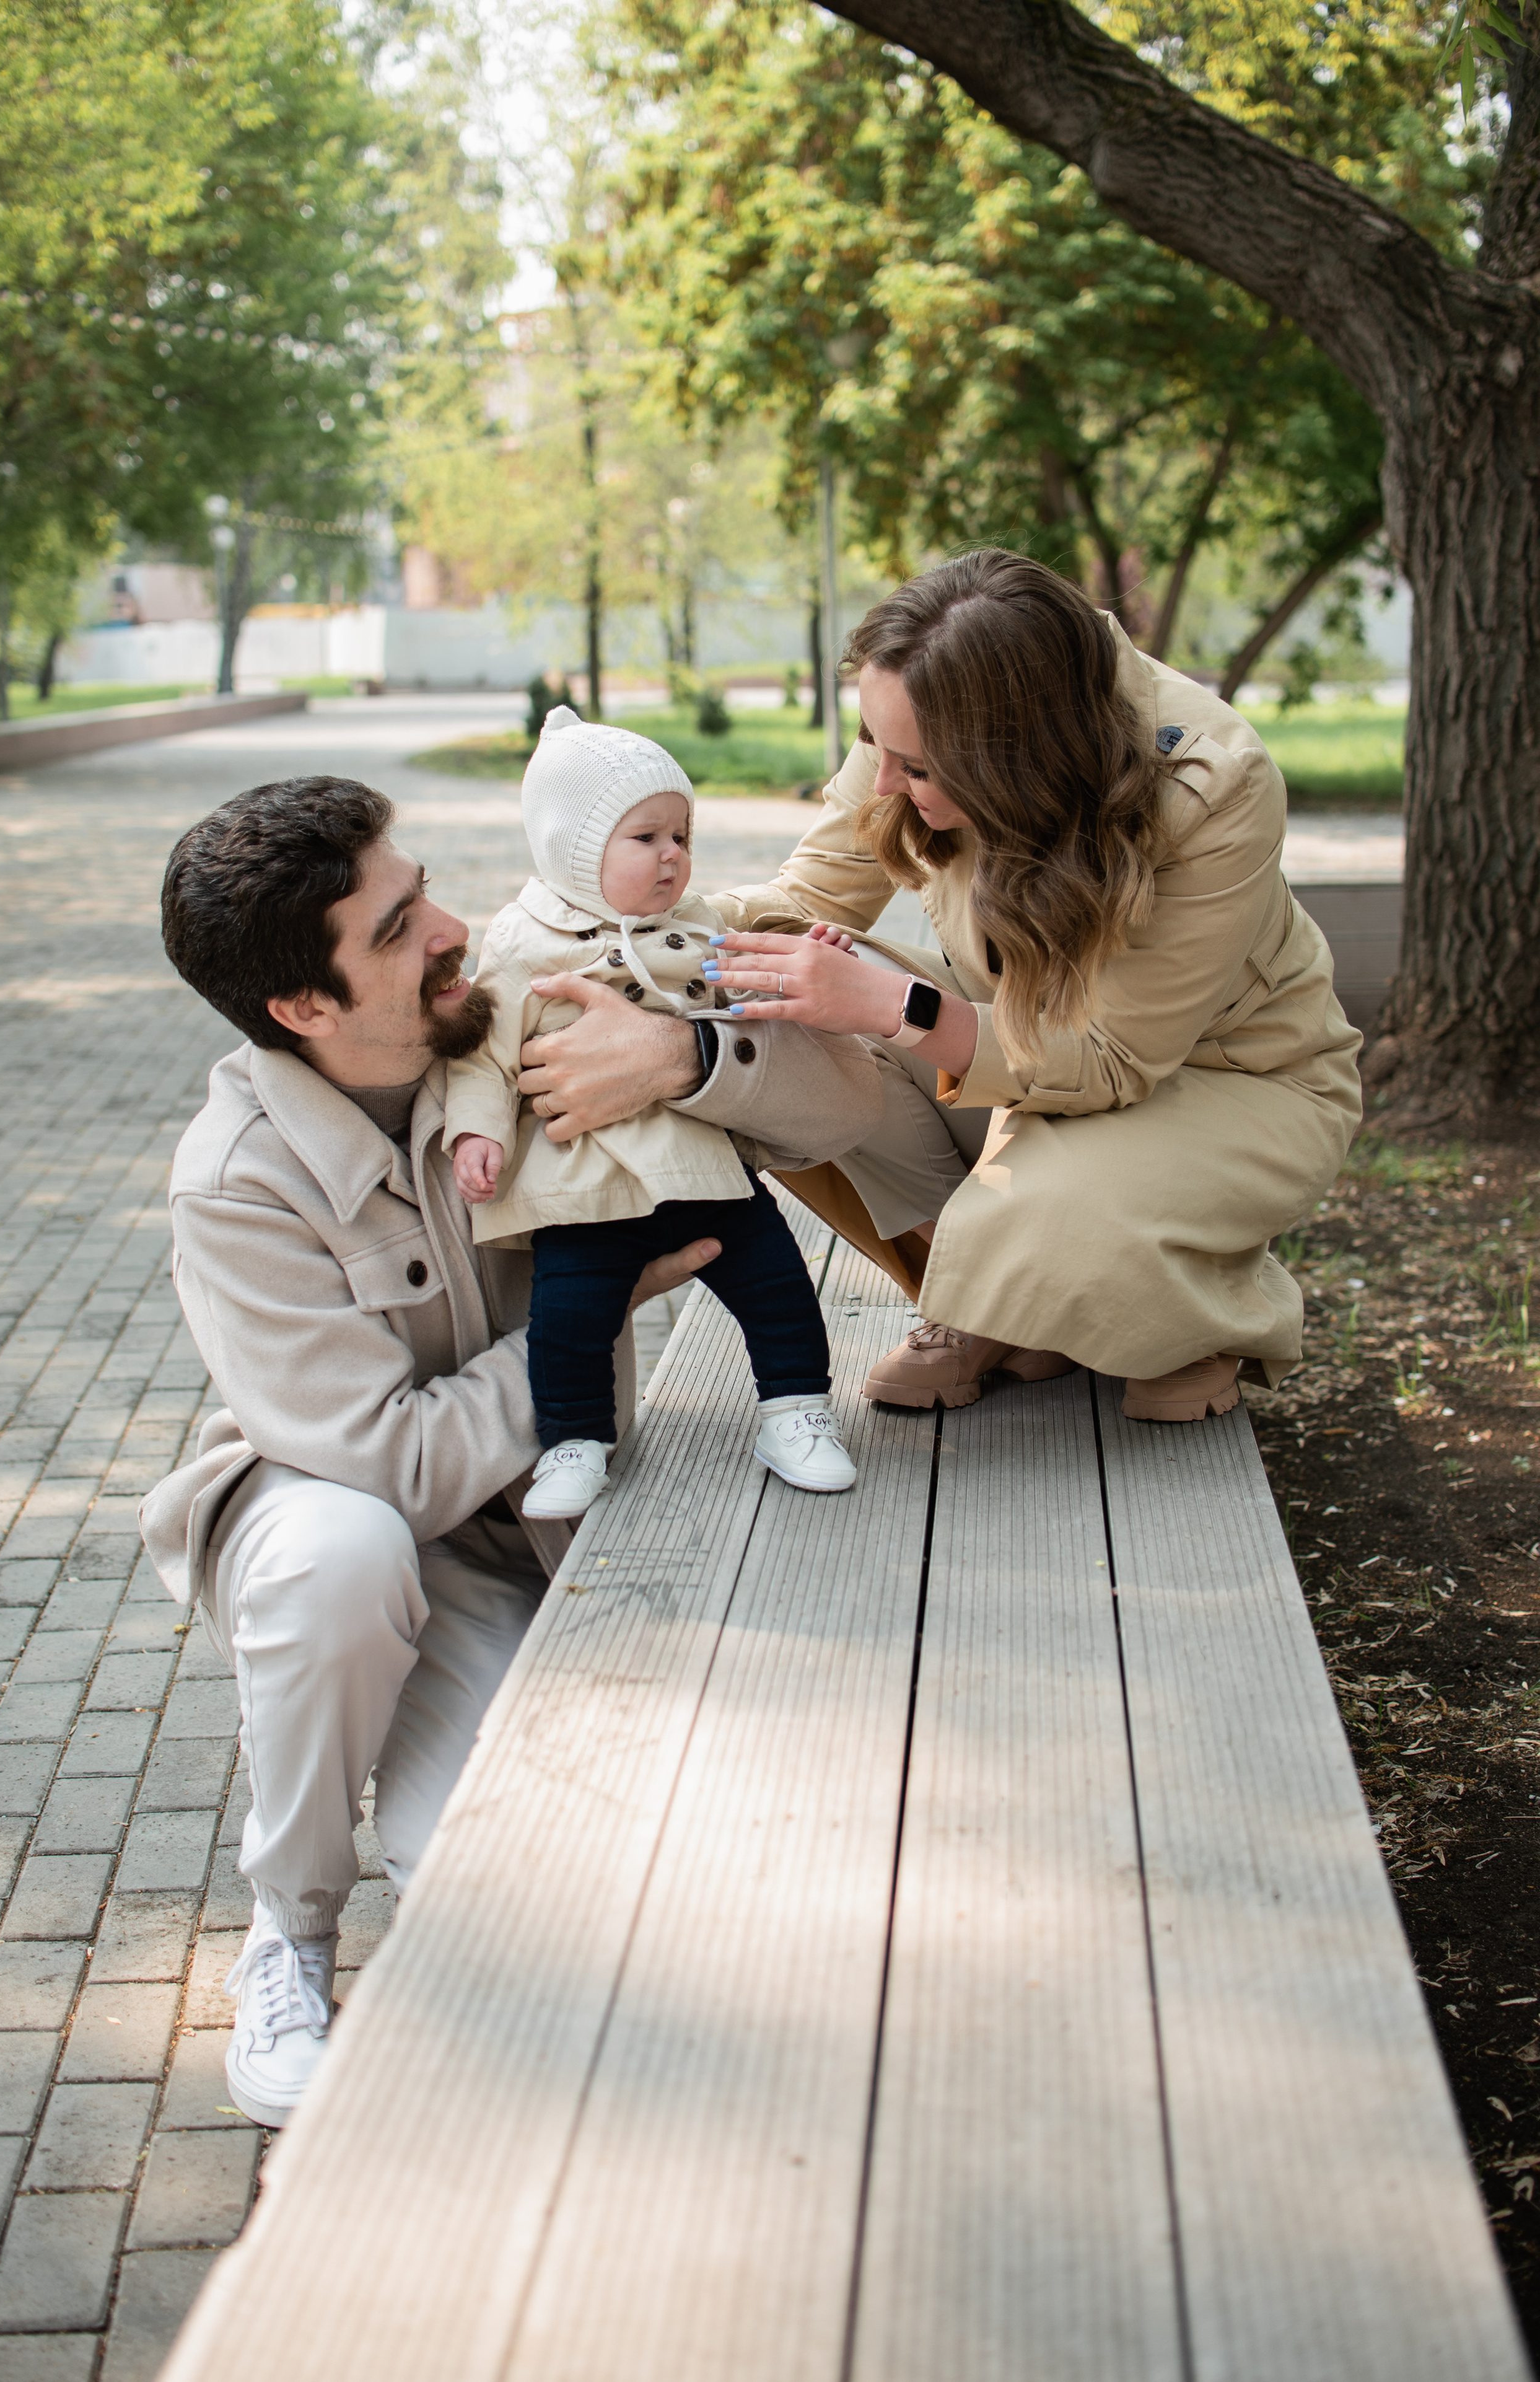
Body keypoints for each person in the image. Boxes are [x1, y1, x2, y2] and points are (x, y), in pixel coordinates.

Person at [140, 773, 882, 2127]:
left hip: (520, 1525)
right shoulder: (235, 1180)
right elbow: (390, 1461)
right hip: (339, 1510)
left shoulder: (520, 1019)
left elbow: (839, 1114)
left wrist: (682, 1062)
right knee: (339, 1551)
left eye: (424, 889)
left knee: (513, 1892)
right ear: (302, 1008)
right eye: (400, 924)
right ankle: (289, 1931)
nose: (455, 930)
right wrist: (595, 1308)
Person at [699, 548, 1363, 1423]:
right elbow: (809, 896)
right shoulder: (922, 705)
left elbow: (1115, 1056)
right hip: (1024, 1069)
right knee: (769, 1033)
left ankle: (1205, 1323)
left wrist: (897, 1007)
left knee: (1065, 1211)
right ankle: (995, 1311)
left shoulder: (1213, 781)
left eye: (920, 769)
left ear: (1020, 757)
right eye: (877, 748)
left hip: (1221, 1083)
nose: (885, 783)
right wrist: (633, 930)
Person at [446, 708, 857, 1518]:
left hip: (705, 1166)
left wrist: (802, 976)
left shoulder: (696, 921)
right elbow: (483, 1056)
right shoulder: (524, 943)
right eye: (646, 839)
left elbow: (731, 987)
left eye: (683, 835)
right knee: (568, 1318)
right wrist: (476, 1132)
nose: (673, 855)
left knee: (778, 1288)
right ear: (573, 845)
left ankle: (795, 1412)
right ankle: (574, 1439)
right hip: (585, 1184)